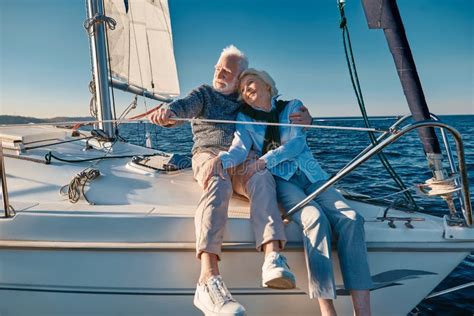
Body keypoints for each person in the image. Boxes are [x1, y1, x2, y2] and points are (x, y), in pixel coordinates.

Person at [149, 46, 313, 316]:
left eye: (226, 71)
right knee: (218, 180)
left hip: (242, 157)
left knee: (262, 177)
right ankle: (207, 280)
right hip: (210, 154)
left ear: (239, 78)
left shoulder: (244, 101)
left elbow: (276, 108)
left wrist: (307, 118)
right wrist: (167, 114)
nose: (219, 73)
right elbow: (182, 108)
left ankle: (272, 257)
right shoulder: (204, 94)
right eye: (217, 68)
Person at [207, 68, 373, 316]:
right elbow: (239, 148)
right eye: (242, 89)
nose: (247, 90)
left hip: (312, 176)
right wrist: (222, 160)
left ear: (267, 85)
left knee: (351, 219)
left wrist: (264, 161)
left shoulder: (292, 107)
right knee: (314, 219)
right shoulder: (245, 117)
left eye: (251, 83)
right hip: (283, 181)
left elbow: (296, 144)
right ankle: (327, 309)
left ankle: (363, 311)